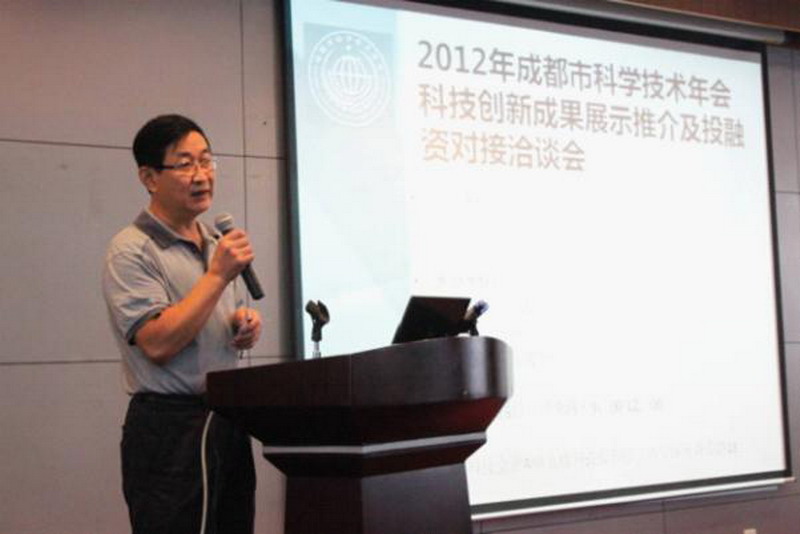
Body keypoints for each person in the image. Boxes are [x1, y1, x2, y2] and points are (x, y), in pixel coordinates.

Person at [102, 114, 261, 534]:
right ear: (149, 177)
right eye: (186, 164)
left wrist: (240, 324)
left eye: (207, 161)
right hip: (169, 430)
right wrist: (217, 275)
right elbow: (157, 342)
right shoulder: (132, 250)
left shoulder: (214, 242)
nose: (202, 175)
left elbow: (203, 317)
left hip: (226, 420)